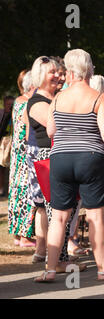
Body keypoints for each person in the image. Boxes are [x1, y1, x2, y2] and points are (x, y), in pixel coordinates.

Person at [35, 49, 104, 282]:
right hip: (90, 157)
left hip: (60, 159)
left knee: (58, 217)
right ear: (90, 69)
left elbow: (50, 131)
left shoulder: (57, 97)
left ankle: (49, 269)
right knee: (95, 216)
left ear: (69, 71)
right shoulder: (98, 97)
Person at [25, 56, 80, 273]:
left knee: (67, 211)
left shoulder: (57, 97)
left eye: (59, 71)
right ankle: (56, 260)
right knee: (56, 212)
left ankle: (62, 259)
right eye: (52, 72)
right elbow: (56, 128)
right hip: (49, 159)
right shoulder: (37, 102)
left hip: (63, 156)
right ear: (40, 75)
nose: (58, 75)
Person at [7, 70, 39, 251]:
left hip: (17, 153)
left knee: (17, 193)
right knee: (27, 193)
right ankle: (26, 236)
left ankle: (18, 235)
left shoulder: (18, 101)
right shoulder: (28, 103)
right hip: (26, 152)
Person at [0, 95, 14, 196]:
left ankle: (9, 189)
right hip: (3, 142)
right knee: (1, 167)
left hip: (12, 141)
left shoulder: (15, 115)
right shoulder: (2, 114)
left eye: (12, 105)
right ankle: (1, 189)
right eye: (8, 104)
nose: (10, 107)